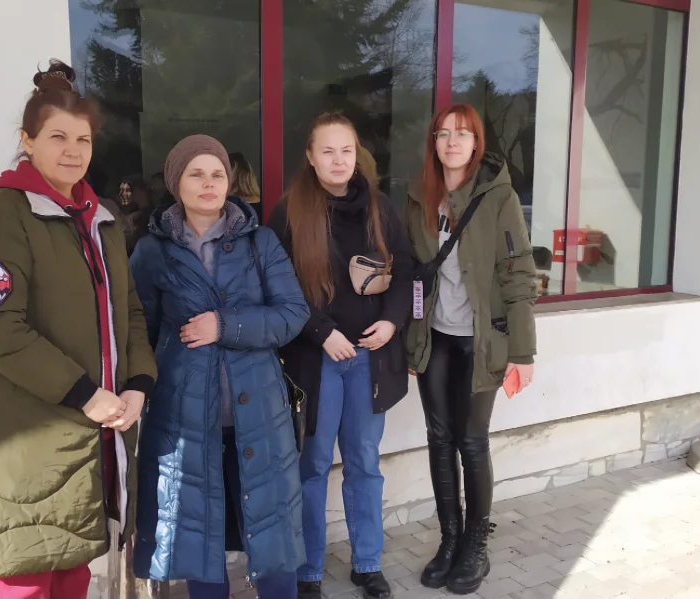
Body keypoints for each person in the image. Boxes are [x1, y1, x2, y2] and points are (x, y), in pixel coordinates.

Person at [0, 59, 157, 599]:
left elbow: (129, 311)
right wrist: (86, 394)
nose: (73, 150)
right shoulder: (0, 216)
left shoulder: (102, 219)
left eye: (83, 139)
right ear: (27, 141)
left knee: (73, 574)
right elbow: (0, 330)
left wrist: (139, 384)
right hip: (30, 443)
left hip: (93, 440)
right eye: (58, 137)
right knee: (22, 583)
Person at [130, 135, 310, 599]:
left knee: (272, 538)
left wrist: (225, 326)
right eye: (196, 174)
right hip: (186, 419)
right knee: (199, 540)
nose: (208, 183)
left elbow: (293, 313)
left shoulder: (260, 241)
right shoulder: (152, 252)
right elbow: (139, 333)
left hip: (260, 415)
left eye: (217, 174)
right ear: (176, 182)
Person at [267, 113, 412, 599]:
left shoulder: (379, 208)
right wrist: (321, 331)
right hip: (316, 361)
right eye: (327, 151)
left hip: (369, 360)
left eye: (346, 150)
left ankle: (367, 562)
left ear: (357, 155)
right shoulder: (289, 212)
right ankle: (308, 568)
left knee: (364, 462)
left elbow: (405, 270)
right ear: (310, 157)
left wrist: (392, 321)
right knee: (311, 465)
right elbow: (278, 285)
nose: (338, 160)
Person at [404, 103, 538, 595]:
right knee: (439, 438)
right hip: (436, 338)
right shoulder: (420, 196)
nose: (452, 142)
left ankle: (475, 546)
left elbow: (518, 275)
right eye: (443, 134)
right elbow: (412, 272)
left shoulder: (498, 196)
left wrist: (523, 353)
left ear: (477, 143)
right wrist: (411, 340)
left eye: (462, 134)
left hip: (483, 341)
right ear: (434, 143)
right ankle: (450, 540)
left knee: (472, 440)